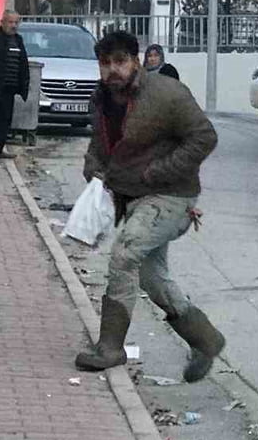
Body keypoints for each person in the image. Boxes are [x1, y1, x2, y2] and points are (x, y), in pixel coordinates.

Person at [75, 30, 222, 382]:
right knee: (152, 278)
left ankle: (110, 347)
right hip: (133, 200)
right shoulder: (103, 99)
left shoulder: (166, 94)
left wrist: (160, 171)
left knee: (125, 253)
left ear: (136, 62)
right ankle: (205, 339)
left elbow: (204, 137)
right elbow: (101, 144)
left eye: (120, 62)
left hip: (172, 197)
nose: (112, 70)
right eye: (105, 63)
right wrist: (94, 168)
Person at [0, 11, 29, 159]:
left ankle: (0, 148)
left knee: (5, 120)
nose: (13, 26)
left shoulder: (18, 40)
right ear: (2, 22)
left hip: (9, 90)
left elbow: (23, 64)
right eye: (10, 22)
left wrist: (23, 86)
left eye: (16, 23)